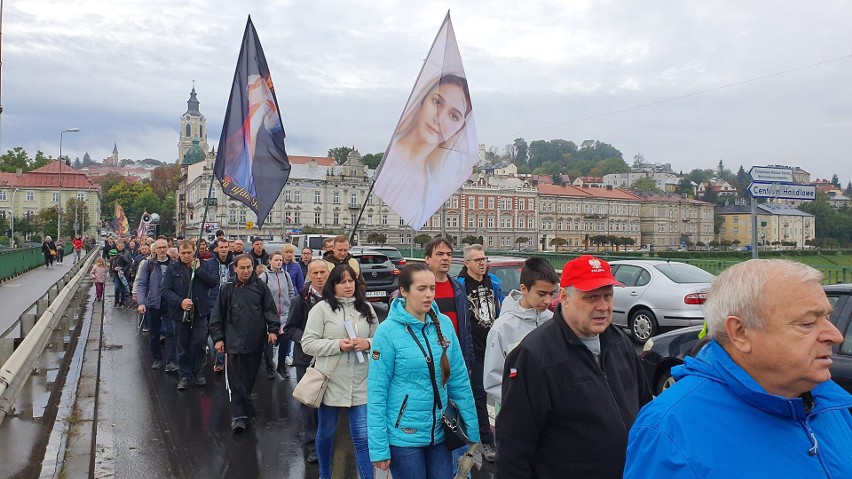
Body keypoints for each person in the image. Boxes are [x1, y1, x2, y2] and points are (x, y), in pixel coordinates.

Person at [624, 259, 852, 478]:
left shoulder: (827, 400)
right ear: (740, 333)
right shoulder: (670, 430)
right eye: (807, 323)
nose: (835, 335)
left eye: (827, 318)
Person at [496, 255, 652, 478]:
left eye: (608, 296)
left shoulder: (620, 343)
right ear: (564, 297)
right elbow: (514, 448)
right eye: (591, 297)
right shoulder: (534, 356)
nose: (603, 306)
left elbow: (645, 407)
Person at [368, 263, 480, 478]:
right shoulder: (387, 332)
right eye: (421, 289)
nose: (429, 295)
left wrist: (472, 429)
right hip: (403, 438)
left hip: (440, 432)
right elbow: (376, 393)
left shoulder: (444, 324)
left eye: (432, 288)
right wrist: (379, 448)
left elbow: (459, 380)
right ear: (404, 291)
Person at [301, 264, 378, 479]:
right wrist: (337, 345)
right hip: (330, 382)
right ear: (332, 285)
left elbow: (381, 341)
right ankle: (325, 474)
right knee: (326, 433)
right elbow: (307, 344)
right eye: (342, 282)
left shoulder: (367, 309)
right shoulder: (321, 309)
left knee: (362, 438)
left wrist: (367, 343)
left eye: (351, 281)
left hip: (361, 382)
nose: (348, 286)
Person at [373, 74, 477, 228]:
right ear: (422, 100)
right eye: (436, 102)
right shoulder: (387, 165)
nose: (439, 118)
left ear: (459, 130)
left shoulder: (435, 185)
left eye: (453, 116)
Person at [209, 254, 280, 433]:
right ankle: (239, 416)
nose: (246, 271)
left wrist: (272, 330)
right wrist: (218, 338)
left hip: (256, 342)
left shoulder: (260, 287)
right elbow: (217, 315)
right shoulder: (227, 289)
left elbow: (270, 310)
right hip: (233, 342)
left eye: (249, 267)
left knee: (249, 378)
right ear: (235, 268)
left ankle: (246, 408)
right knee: (235, 381)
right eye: (242, 267)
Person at [483, 257, 558, 406]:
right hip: (518, 412)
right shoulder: (502, 328)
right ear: (524, 289)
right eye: (542, 294)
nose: (548, 301)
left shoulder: (553, 321)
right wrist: (522, 406)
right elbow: (493, 381)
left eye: (552, 294)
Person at [455, 244, 504, 462]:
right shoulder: (460, 285)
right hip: (474, 349)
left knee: (503, 393)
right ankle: (485, 441)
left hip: (494, 346)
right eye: (477, 260)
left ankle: (502, 436)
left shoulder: (493, 283)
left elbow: (500, 310)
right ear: (467, 263)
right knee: (479, 396)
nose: (482, 263)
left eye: (484, 259)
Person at [282, 258, 328, 463]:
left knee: (328, 403)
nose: (319, 277)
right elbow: (290, 328)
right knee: (309, 403)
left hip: (331, 358)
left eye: (323, 273)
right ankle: (311, 445)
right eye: (315, 273)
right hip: (307, 360)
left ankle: (326, 442)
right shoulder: (300, 299)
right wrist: (309, 341)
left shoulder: (336, 297)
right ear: (309, 275)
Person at [162, 240, 218, 391]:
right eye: (183, 253)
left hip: (200, 312)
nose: (186, 256)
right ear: (178, 253)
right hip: (180, 314)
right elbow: (165, 290)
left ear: (194, 251)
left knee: (199, 342)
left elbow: (214, 283)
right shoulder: (172, 269)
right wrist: (180, 302)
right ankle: (184, 374)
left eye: (189, 252)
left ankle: (197, 370)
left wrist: (199, 271)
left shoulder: (204, 266)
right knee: (181, 345)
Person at [135, 239, 177, 371]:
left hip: (169, 303)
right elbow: (142, 283)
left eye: (165, 247)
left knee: (171, 332)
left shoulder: (174, 264)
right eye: (159, 248)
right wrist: (141, 302)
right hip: (153, 303)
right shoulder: (149, 264)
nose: (162, 250)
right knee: (154, 333)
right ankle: (157, 359)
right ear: (155, 250)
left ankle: (170, 361)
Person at [259, 251, 295, 380]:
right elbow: (260, 295)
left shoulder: (286, 275)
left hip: (285, 314)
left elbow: (291, 291)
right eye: (276, 260)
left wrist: (291, 307)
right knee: (269, 343)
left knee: (285, 341)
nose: (279, 262)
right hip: (270, 315)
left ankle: (281, 366)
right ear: (270, 261)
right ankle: (269, 368)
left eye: (280, 260)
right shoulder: (264, 276)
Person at [203, 237, 233, 373]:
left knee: (224, 334)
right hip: (212, 303)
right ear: (217, 249)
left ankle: (220, 361)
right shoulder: (209, 264)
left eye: (226, 247)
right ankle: (202, 356)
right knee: (208, 332)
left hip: (229, 303)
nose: (224, 249)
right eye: (221, 247)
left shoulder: (234, 263)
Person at [110, 240, 134, 307]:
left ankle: (122, 302)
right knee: (117, 287)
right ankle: (116, 301)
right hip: (116, 273)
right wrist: (113, 269)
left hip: (124, 273)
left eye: (121, 246)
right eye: (119, 246)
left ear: (123, 246)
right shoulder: (114, 252)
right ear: (117, 246)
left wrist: (123, 270)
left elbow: (129, 263)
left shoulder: (127, 253)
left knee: (123, 288)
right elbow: (111, 262)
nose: (120, 247)